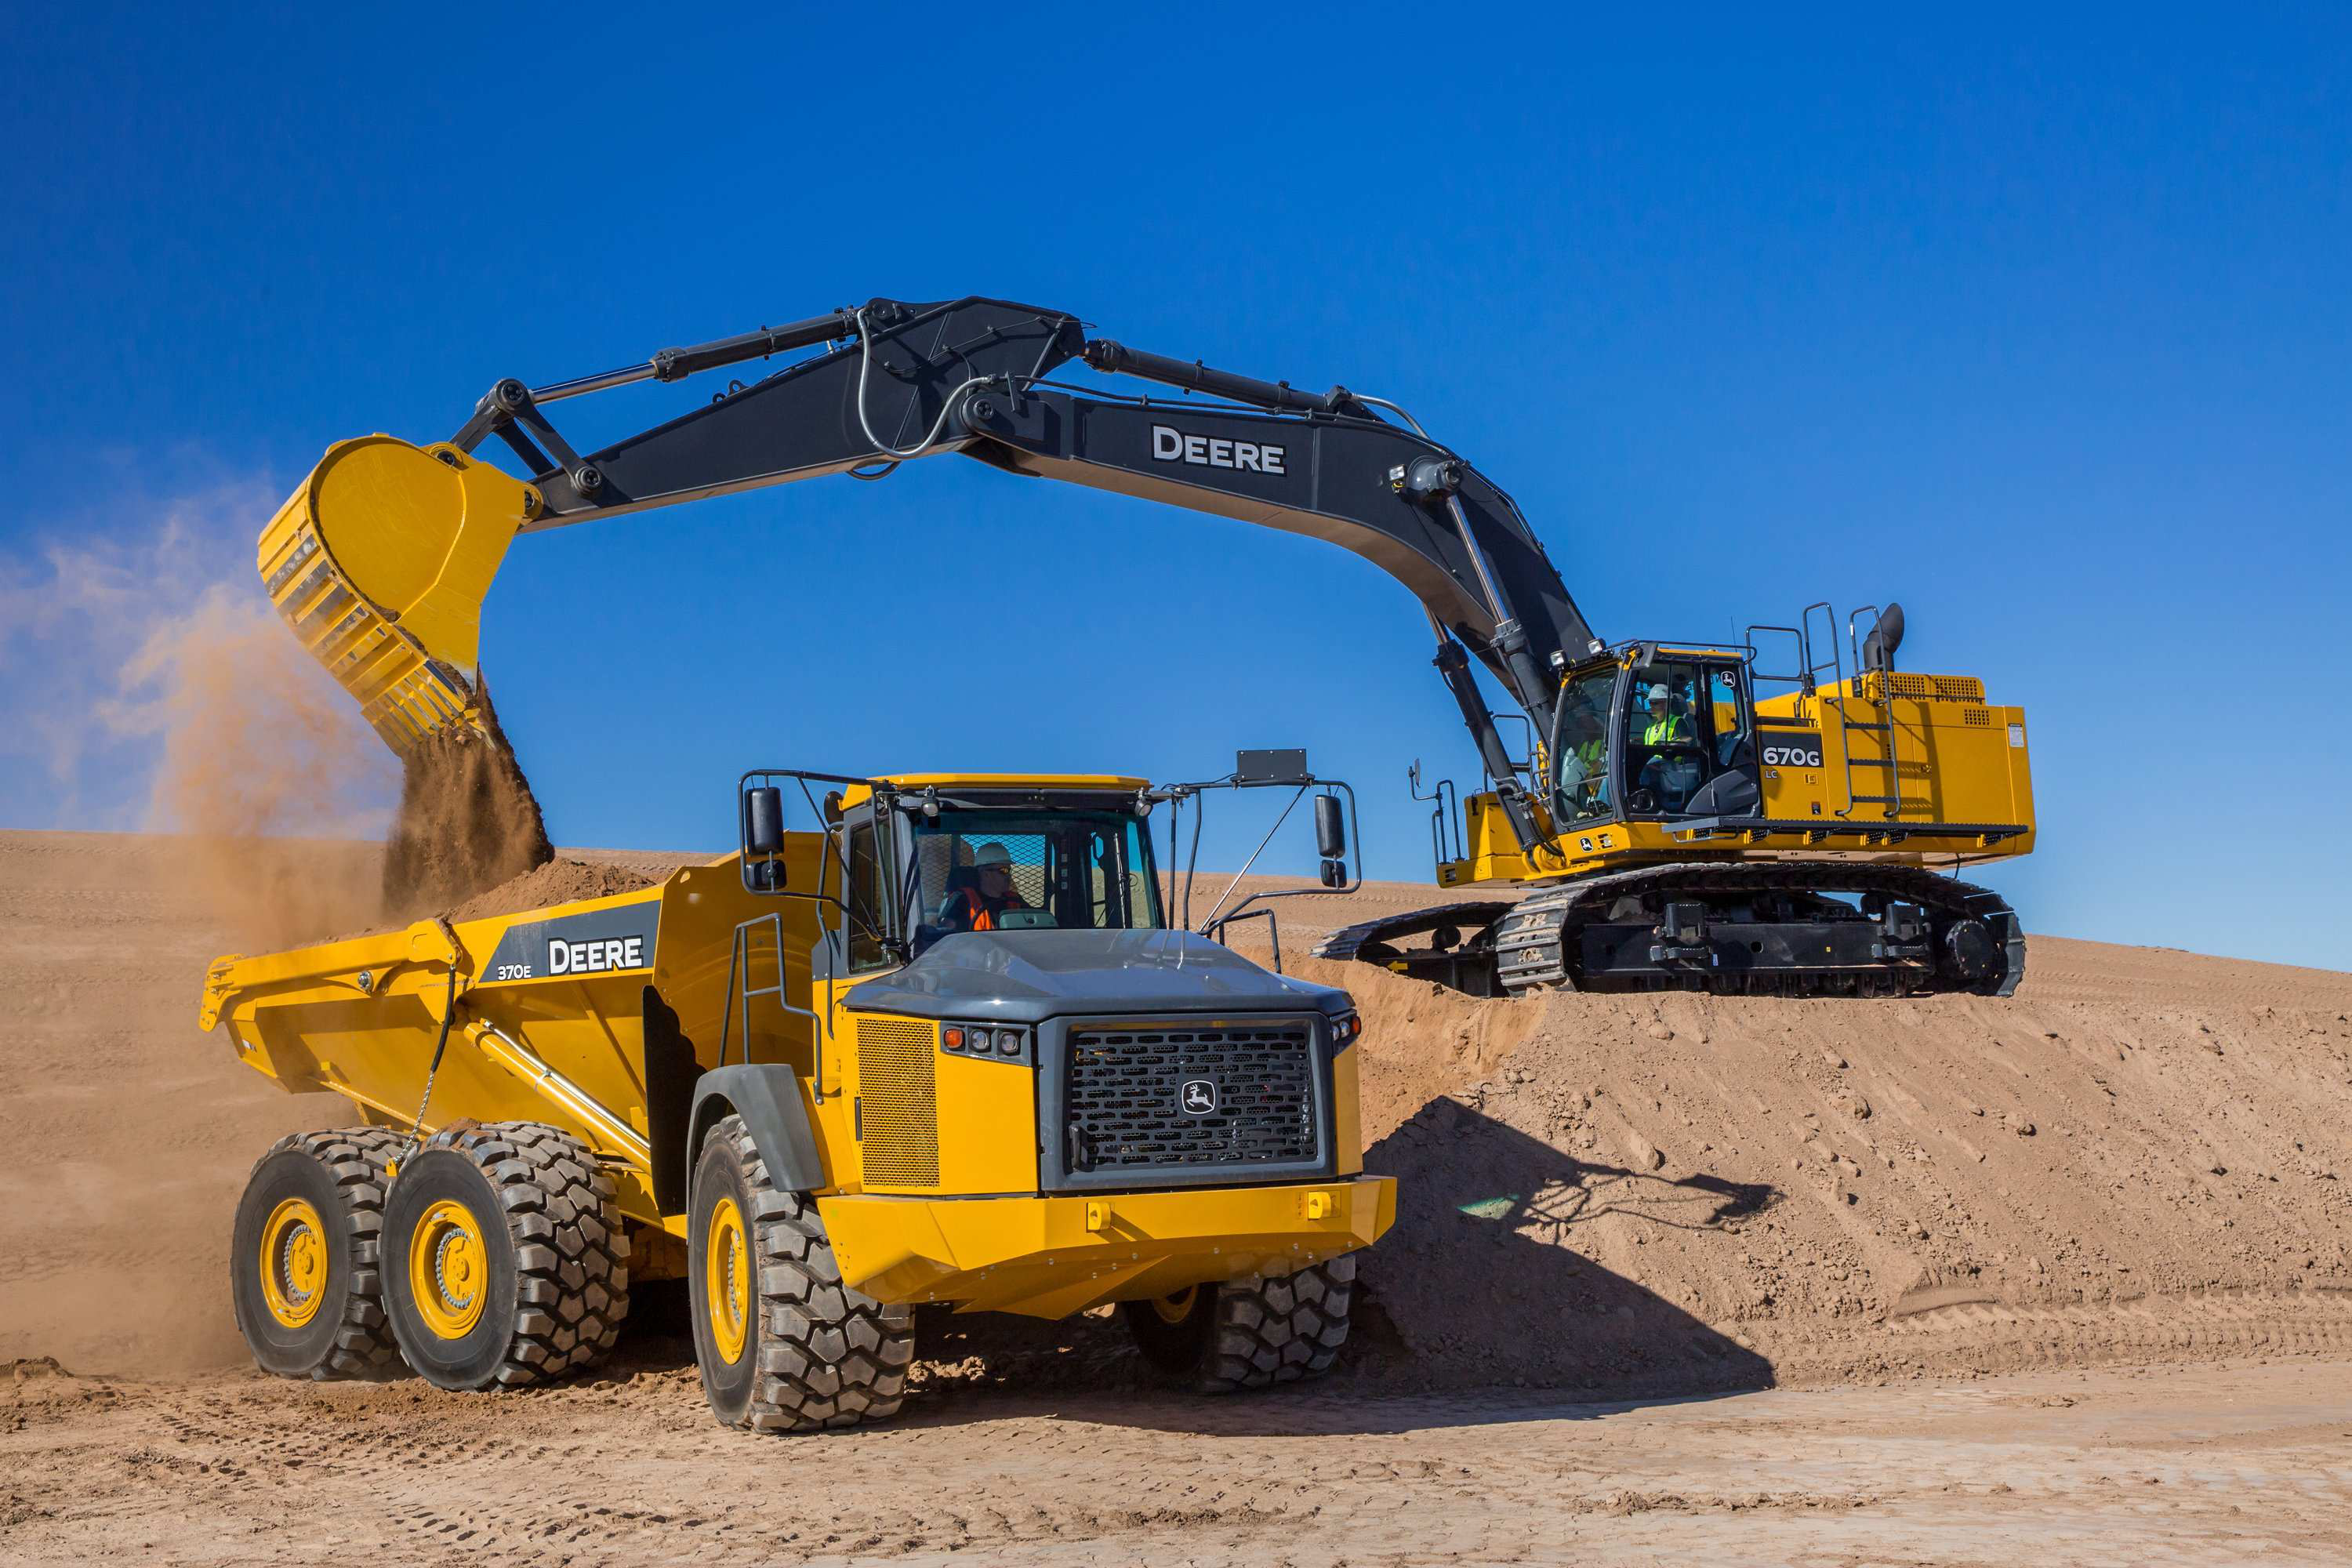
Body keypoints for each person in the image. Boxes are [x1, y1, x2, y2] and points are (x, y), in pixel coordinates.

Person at [935, 841, 1029, 934]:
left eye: (1009, 870)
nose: (1008, 876)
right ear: (985, 873)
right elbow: (944, 932)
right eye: (1003, 870)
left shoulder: (1015, 900)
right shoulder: (963, 900)